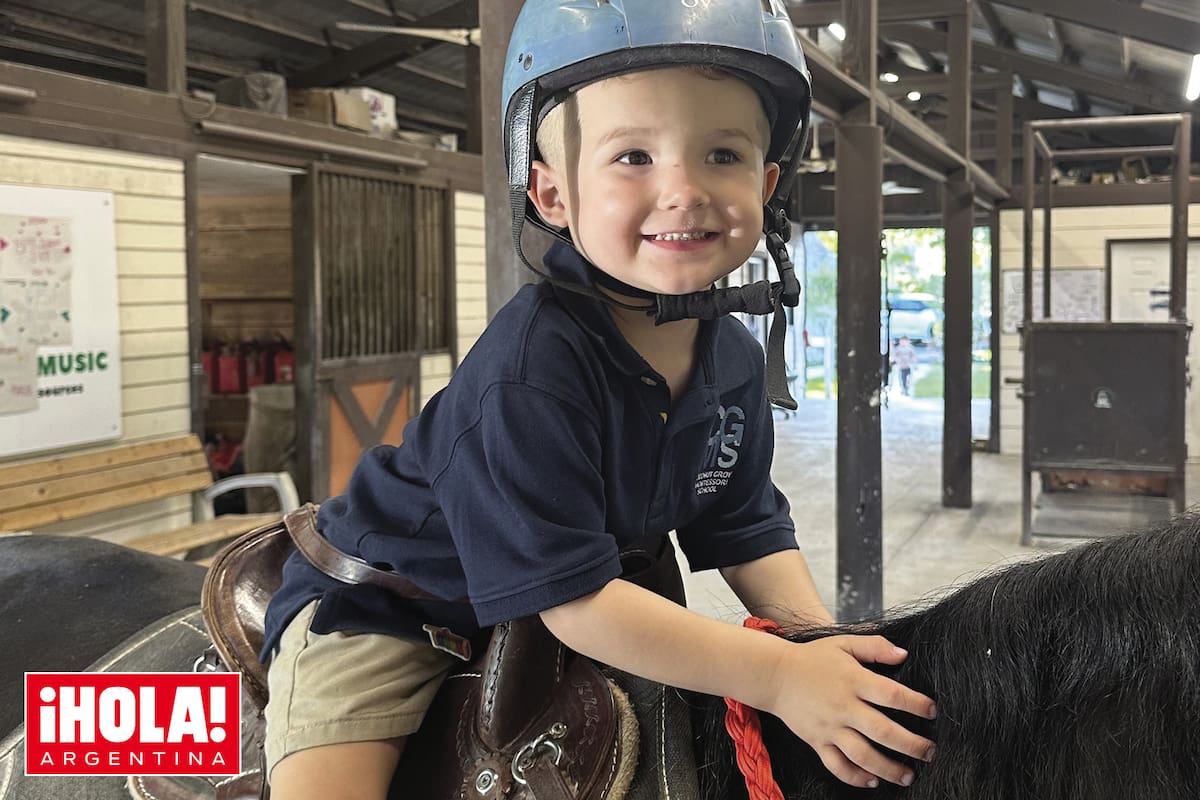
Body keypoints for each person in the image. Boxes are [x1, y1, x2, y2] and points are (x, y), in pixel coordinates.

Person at [261, 3, 937, 798]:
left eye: (722, 153)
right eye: (634, 157)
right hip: (399, 604)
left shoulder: (733, 357)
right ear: (552, 194)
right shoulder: (533, 367)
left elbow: (745, 525)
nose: (684, 191)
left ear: (767, 183)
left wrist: (817, 645)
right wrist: (780, 677)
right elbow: (574, 602)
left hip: (596, 586)